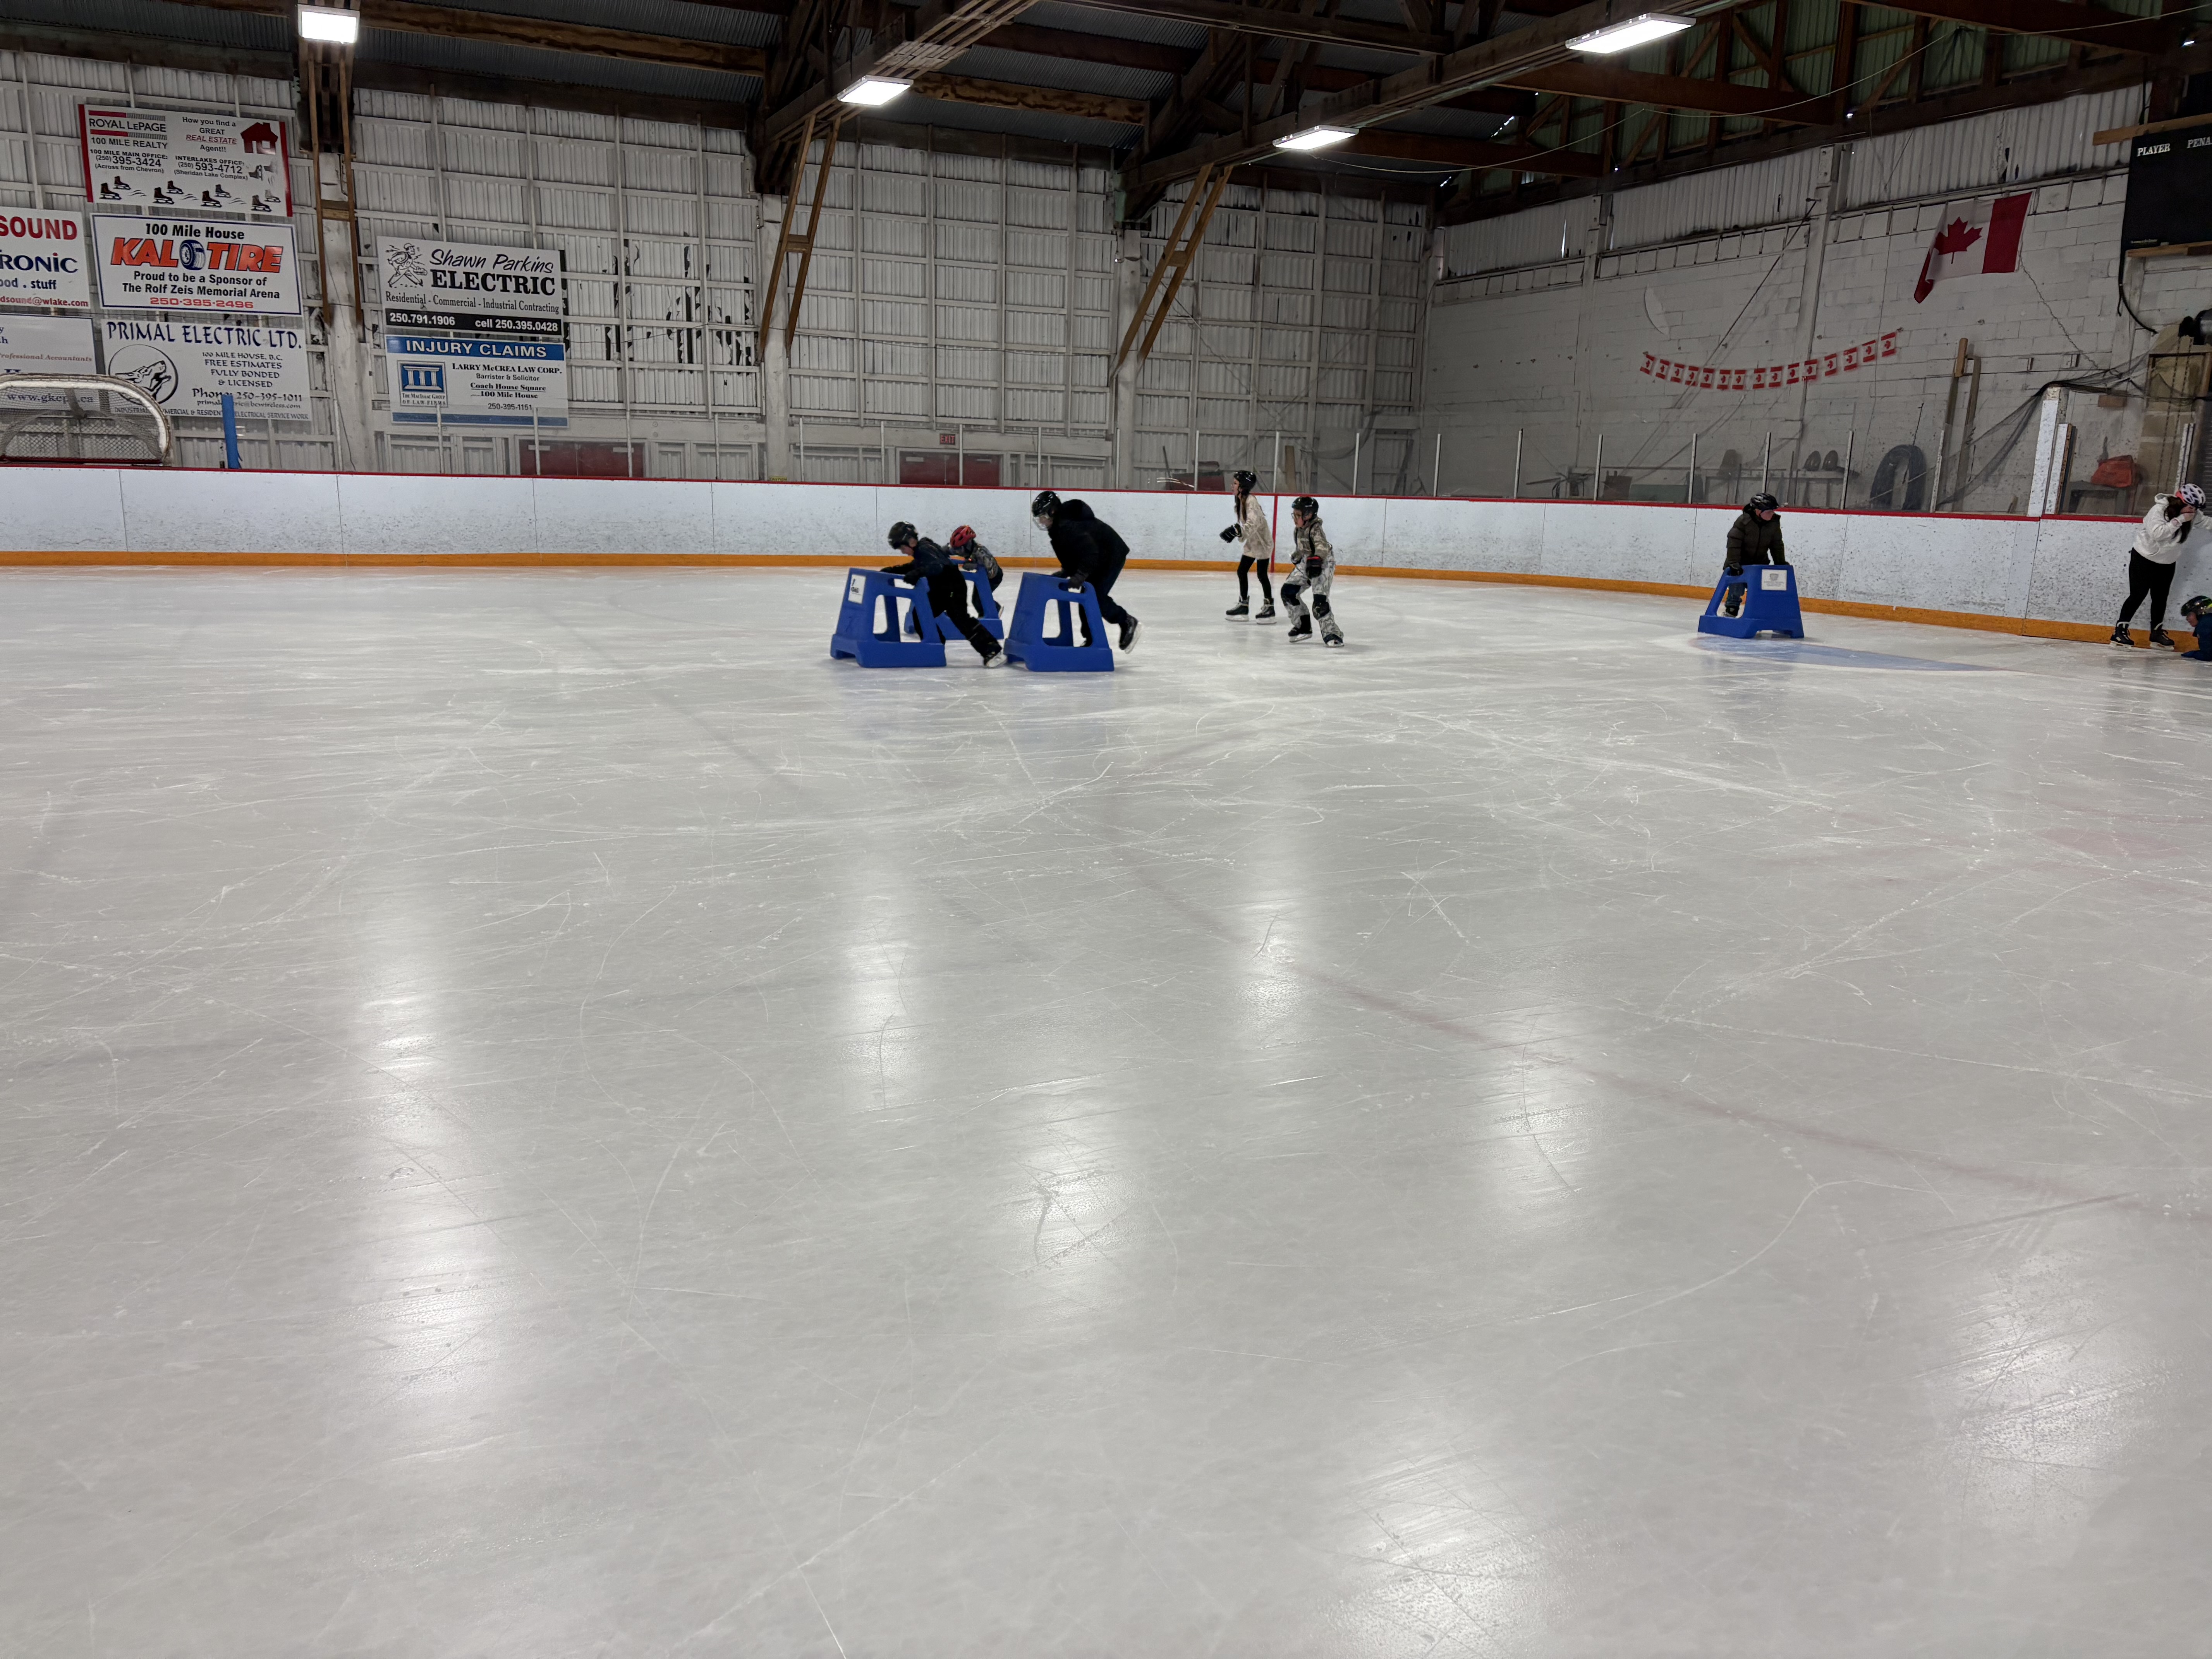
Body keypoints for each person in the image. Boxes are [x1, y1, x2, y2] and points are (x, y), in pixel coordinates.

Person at [883, 521, 1005, 666]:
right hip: (942, 590)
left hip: (953, 588)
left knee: (961, 619)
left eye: (902, 548)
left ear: (911, 541)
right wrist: (894, 570)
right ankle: (936, 647)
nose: (903, 552)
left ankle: (992, 650)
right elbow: (917, 565)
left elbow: (937, 567)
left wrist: (917, 573)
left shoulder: (925, 549)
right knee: (920, 614)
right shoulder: (923, 551)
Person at [1031, 490, 1140, 651]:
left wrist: (1081, 574)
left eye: (1043, 516)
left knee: (1095, 597)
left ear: (1052, 512)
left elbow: (1090, 552)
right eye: (1039, 518)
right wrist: (1067, 572)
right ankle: (1091, 641)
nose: (1041, 521)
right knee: (1087, 597)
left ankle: (1126, 621)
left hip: (1110, 555)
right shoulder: (1057, 528)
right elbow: (1070, 553)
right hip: (1097, 558)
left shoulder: (1069, 525)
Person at [2111, 484, 2202, 648]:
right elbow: (2158, 534)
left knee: (2161, 598)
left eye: (2195, 509)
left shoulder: (2190, 514)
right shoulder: (2159, 510)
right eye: (2191, 507)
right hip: (2144, 558)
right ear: (2181, 502)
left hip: (2167, 562)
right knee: (2138, 595)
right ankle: (2119, 632)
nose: (2193, 511)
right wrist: (2180, 520)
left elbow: (2206, 522)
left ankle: (2156, 633)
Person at [1281, 495, 1343, 647]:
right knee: (1288, 592)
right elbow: (1302, 548)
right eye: (1294, 515)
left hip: (1323, 563)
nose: (1295, 519)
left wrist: (1317, 558)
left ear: (1308, 515)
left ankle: (1332, 634)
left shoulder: (1316, 529)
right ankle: (1303, 626)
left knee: (1320, 604)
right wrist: (1296, 557)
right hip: (1306, 563)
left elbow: (1321, 545)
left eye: (1298, 515)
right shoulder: (1298, 530)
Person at [1219, 469, 1276, 621]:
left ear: (1243, 487)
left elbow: (1253, 523)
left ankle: (1270, 607)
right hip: (1253, 542)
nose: (1232, 486)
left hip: (1263, 543)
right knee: (1242, 571)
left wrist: (1240, 531)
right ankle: (1243, 605)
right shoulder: (1241, 501)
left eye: (1235, 483)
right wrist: (1240, 532)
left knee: (1262, 575)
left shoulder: (1251, 502)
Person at [1721, 493, 1786, 618]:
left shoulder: (1774, 523)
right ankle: (1731, 610)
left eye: (1773, 512)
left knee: (1760, 589)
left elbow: (1777, 545)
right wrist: (1734, 563)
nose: (1772, 514)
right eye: (1769, 512)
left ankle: (1757, 612)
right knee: (1737, 586)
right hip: (1740, 563)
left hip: (1760, 564)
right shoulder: (1743, 522)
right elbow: (1734, 543)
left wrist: (1781, 563)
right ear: (1758, 511)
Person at [947, 524, 1002, 594]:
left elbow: (992, 573)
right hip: (984, 574)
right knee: (976, 598)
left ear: (968, 545)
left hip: (994, 576)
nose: (958, 552)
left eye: (960, 549)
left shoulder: (982, 553)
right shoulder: (965, 549)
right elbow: (946, 550)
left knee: (980, 598)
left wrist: (976, 565)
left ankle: (992, 603)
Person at [2178, 593, 2212, 660]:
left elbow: (2207, 655)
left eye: (2189, 615)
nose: (2187, 619)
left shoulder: (2205, 622)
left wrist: (2193, 654)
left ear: (2200, 611)